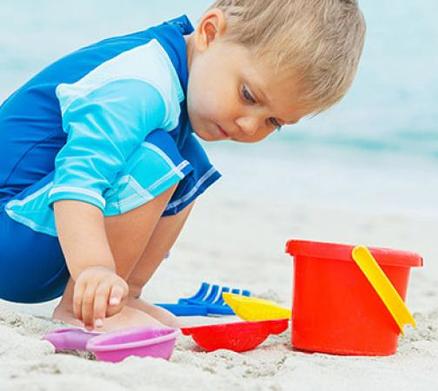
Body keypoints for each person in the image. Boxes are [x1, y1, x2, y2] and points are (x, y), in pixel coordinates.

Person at [0, 0, 365, 331]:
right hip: (11, 233)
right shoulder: (140, 84)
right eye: (248, 95)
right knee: (157, 156)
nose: (250, 126)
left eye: (274, 122)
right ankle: (86, 309)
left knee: (187, 161)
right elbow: (78, 180)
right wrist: (94, 268)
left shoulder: (178, 75)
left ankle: (126, 293)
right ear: (209, 32)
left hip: (44, 235)